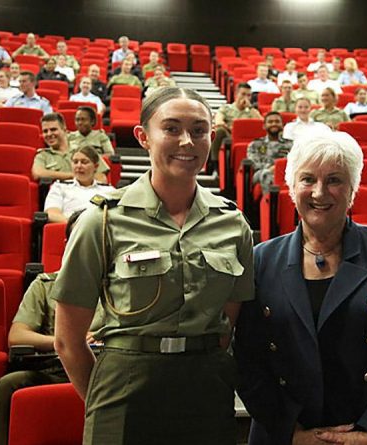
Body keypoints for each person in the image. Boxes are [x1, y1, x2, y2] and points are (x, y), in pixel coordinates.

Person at [52, 87, 253, 444]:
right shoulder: (101, 220)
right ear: (144, 137)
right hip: (123, 384)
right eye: (172, 129)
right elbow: (68, 340)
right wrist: (103, 401)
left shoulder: (232, 223)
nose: (187, 141)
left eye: (200, 130)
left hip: (206, 385)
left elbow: (226, 326)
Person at [234, 130, 367, 445]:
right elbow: (248, 359)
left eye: (334, 180)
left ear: (352, 189)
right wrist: (292, 432)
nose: (319, 192)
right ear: (291, 188)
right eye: (308, 179)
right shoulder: (262, 259)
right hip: (289, 434)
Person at [0, 211, 103, 445]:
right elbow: (17, 336)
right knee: (9, 384)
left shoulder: (119, 287)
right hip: (55, 367)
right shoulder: (44, 284)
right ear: (68, 244)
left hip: (106, 369)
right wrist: (67, 340)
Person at [44, 147, 115, 223]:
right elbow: (52, 214)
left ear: (96, 166)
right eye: (75, 162)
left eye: (84, 162)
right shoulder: (60, 187)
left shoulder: (109, 190)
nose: (79, 166)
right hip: (70, 229)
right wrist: (76, 225)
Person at [33, 113, 108, 183]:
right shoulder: (42, 155)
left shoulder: (85, 148)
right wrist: (73, 176)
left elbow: (101, 178)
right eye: (45, 131)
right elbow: (38, 173)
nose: (49, 134)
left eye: (53, 130)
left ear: (64, 130)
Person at [211, 82, 262, 161]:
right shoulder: (226, 108)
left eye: (248, 95)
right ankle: (215, 164)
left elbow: (262, 125)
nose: (246, 98)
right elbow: (219, 122)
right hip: (229, 136)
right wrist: (232, 129)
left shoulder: (252, 111)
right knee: (219, 131)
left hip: (247, 138)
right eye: (243, 94)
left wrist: (250, 108)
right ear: (236, 94)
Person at [246, 111, 292, 193]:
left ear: (282, 125)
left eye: (277, 121)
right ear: (264, 126)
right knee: (267, 174)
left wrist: (278, 169)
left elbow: (295, 162)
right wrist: (272, 169)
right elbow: (255, 164)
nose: (274, 124)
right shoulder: (255, 144)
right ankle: (271, 204)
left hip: (285, 172)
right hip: (261, 173)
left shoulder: (291, 144)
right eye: (270, 122)